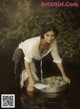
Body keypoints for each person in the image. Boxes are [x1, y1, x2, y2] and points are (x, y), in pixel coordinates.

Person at [12, 24, 71, 92]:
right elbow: (26, 62)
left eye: (52, 35)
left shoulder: (53, 43)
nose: (50, 38)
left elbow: (57, 59)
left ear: (55, 36)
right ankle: (30, 101)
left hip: (29, 57)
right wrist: (31, 79)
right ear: (43, 34)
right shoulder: (35, 44)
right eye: (47, 35)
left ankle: (28, 94)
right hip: (21, 53)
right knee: (32, 81)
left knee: (33, 80)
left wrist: (64, 75)